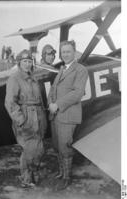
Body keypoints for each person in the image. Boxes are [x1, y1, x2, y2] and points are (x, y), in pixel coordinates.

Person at [48, 40, 88, 190]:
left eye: (68, 51)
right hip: (56, 115)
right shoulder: (62, 69)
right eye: (63, 52)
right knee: (57, 146)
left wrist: (57, 105)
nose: (65, 54)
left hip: (68, 115)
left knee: (65, 147)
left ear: (74, 52)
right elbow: (53, 89)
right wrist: (51, 104)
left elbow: (77, 93)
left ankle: (67, 177)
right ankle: (61, 172)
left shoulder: (81, 69)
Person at [5, 49, 47, 187]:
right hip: (26, 117)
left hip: (38, 117)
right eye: (24, 61)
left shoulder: (33, 78)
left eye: (29, 61)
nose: (27, 64)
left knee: (39, 148)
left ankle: (34, 172)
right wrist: (21, 120)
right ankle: (26, 178)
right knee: (29, 149)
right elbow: (10, 102)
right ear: (19, 63)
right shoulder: (14, 78)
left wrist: (43, 118)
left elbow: (39, 100)